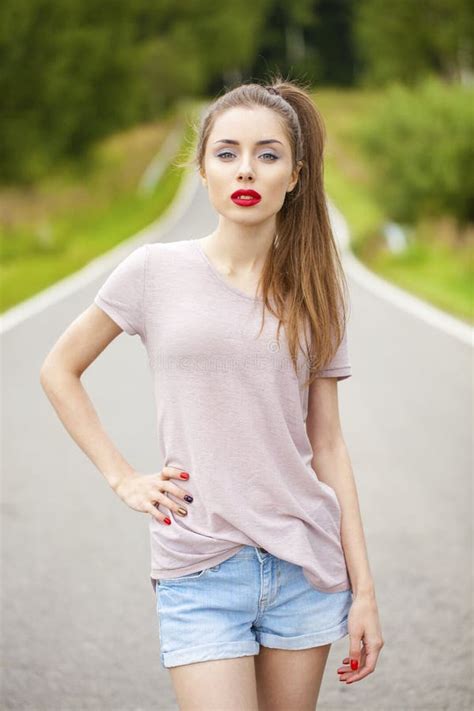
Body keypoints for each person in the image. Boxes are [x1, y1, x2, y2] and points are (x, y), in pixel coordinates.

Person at [40, 76, 384, 710]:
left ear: (296, 175)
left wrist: (363, 590)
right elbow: (59, 369)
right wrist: (124, 479)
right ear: (201, 170)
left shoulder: (316, 292)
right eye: (226, 152)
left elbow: (329, 446)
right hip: (199, 566)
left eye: (268, 153)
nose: (245, 168)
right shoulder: (153, 272)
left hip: (302, 567)